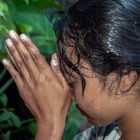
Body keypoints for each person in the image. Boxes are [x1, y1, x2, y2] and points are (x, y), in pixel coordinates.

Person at [2, 0, 140, 139]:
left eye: (72, 82)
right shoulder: (99, 135)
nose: (66, 93)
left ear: (125, 79)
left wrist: (50, 125)